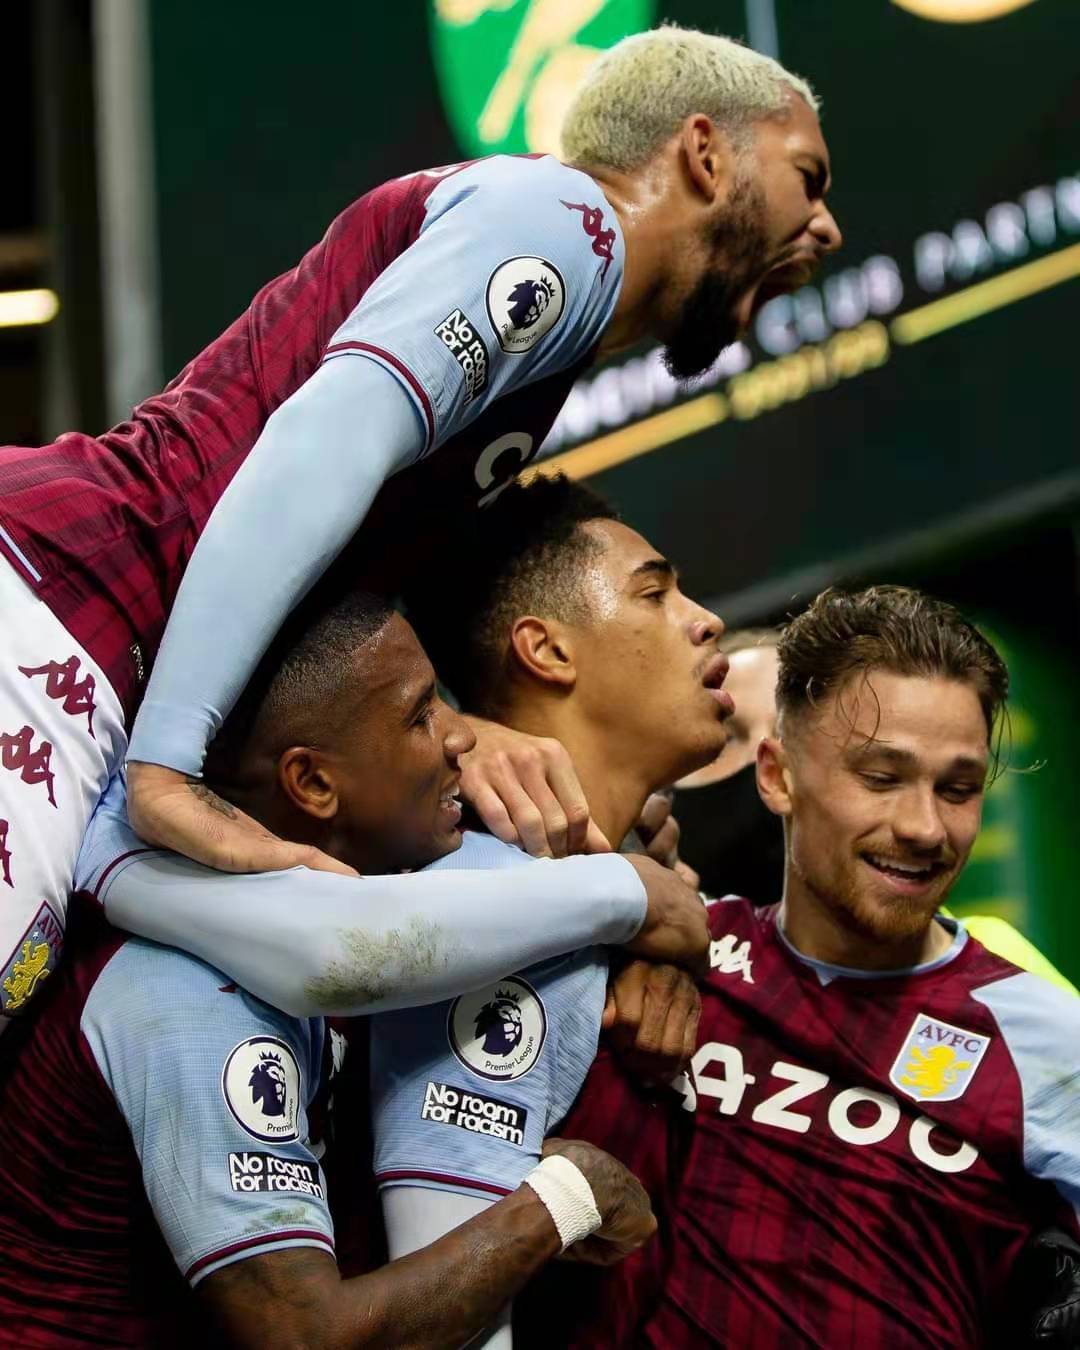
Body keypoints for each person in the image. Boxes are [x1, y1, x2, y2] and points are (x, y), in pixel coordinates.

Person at [0, 26, 841, 1020]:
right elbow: (324, 440)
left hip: (81, 635)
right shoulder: (568, 227)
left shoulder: (550, 328)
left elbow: (333, 600)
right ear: (705, 154)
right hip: (60, 588)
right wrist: (167, 766)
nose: (826, 227)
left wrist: (469, 738)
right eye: (807, 177)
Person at [0, 590, 661, 1348]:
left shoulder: (338, 901)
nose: (462, 738)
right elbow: (304, 1335)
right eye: (421, 715)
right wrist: (562, 1201)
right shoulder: (193, 1001)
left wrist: (652, 948)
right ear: (313, 784)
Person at [546, 585, 1080, 1348]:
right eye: (882, 778)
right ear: (777, 776)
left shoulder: (1048, 1041)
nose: (925, 828)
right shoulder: (669, 958)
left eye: (959, 789)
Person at [362, 474, 728, 1345]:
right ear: (547, 650)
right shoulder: (488, 913)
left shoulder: (615, 896)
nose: (706, 619)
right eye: (654, 593)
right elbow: (443, 1317)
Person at [672, 626, 1079, 995]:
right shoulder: (642, 964)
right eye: (726, 737)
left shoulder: (1001, 981)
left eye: (785, 732)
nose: (758, 768)